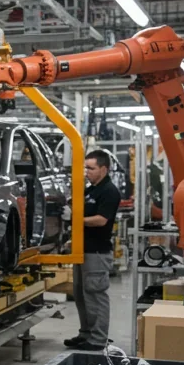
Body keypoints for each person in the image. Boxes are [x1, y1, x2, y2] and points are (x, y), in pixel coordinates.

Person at [65, 150, 120, 351]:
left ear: (104, 169)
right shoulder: (91, 190)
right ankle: (86, 333)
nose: (86, 172)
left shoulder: (109, 191)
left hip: (96, 253)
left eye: (90, 168)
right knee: (81, 295)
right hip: (82, 250)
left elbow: (101, 220)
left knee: (96, 295)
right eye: (85, 168)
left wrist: (74, 219)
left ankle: (98, 339)